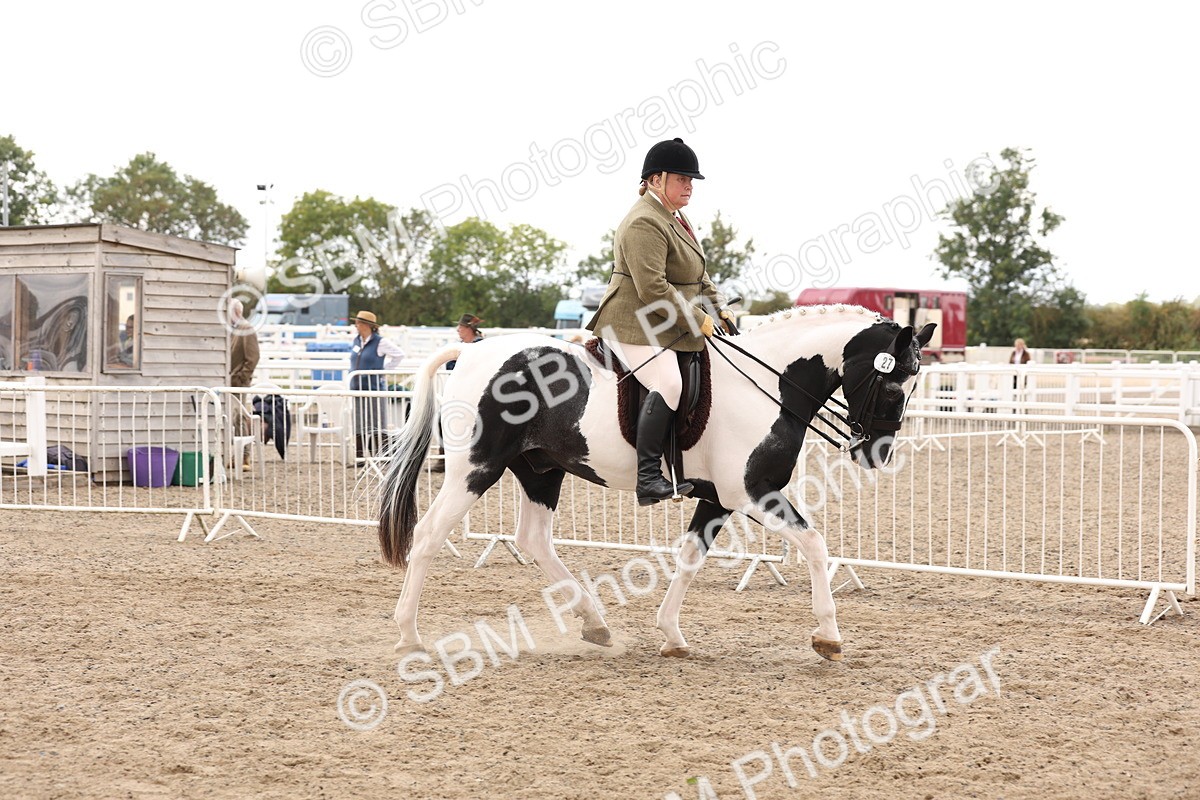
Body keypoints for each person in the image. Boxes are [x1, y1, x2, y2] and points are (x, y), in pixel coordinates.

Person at [585, 137, 734, 506]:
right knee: (668, 382)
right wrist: (699, 318)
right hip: (632, 320)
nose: (689, 186)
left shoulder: (676, 218)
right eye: (682, 178)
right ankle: (649, 477)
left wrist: (721, 307)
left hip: (665, 320)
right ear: (655, 180)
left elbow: (699, 275)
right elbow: (652, 287)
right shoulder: (643, 222)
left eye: (691, 180)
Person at [349, 310, 406, 464]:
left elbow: (399, 354)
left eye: (359, 323)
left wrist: (383, 372)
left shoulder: (380, 342)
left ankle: (381, 455)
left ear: (367, 325)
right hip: (357, 387)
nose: (356, 325)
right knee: (359, 421)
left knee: (377, 421)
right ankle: (360, 456)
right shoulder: (356, 340)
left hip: (374, 387)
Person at [228, 299, 261, 468]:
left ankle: (244, 455)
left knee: (238, 418)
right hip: (232, 381)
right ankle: (237, 455)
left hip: (237, 382)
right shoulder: (235, 329)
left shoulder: (245, 329)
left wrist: (241, 378)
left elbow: (253, 357)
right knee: (234, 418)